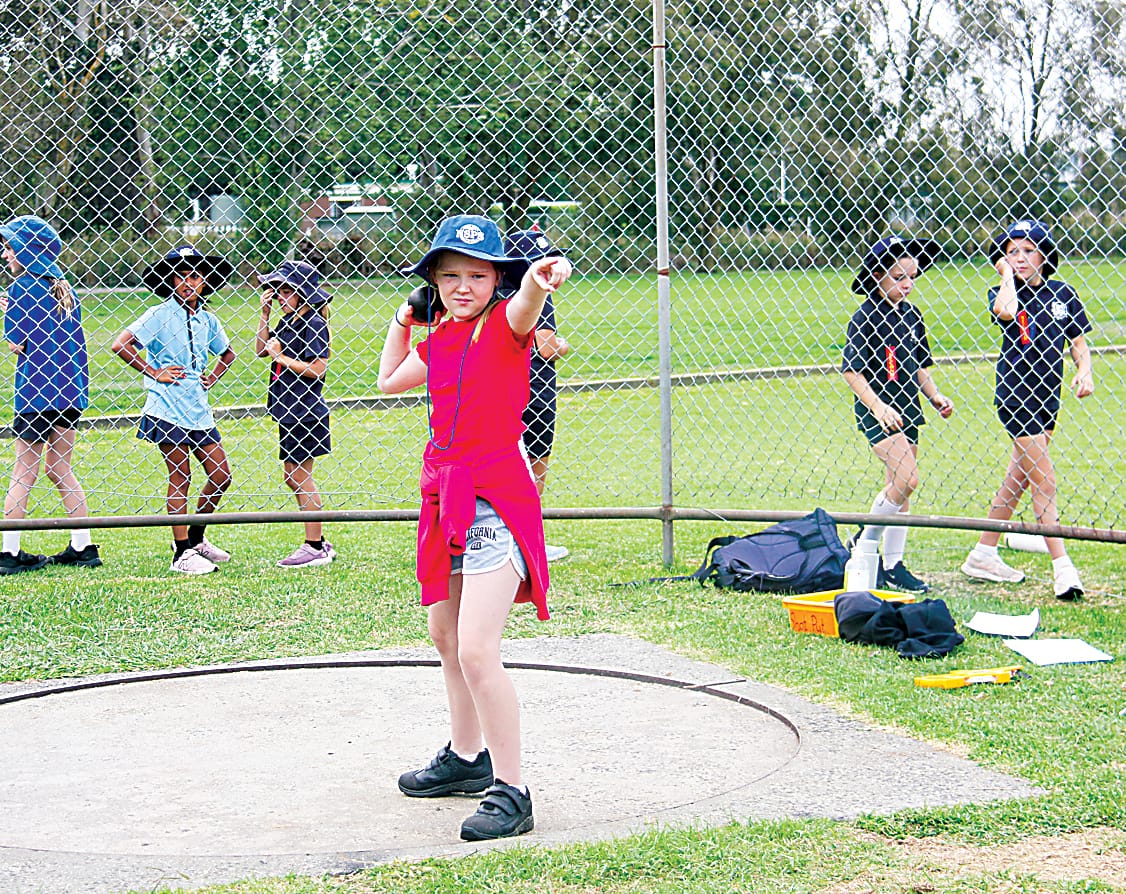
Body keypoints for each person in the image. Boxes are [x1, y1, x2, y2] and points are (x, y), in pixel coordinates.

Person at [378, 214, 572, 841]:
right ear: (433, 281)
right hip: (446, 501)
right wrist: (404, 319)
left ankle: (512, 788)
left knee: (477, 648)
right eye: (450, 275)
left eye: (478, 274)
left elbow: (527, 303)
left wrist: (541, 280)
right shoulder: (442, 339)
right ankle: (467, 757)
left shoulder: (506, 325)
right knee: (445, 636)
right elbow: (387, 381)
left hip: (494, 501)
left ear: (498, 279)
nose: (463, 286)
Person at [960, 220, 1093, 600]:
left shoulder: (1063, 293)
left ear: (1044, 255)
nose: (1019, 257)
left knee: (1018, 478)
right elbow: (1006, 310)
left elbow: (1078, 343)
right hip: (1016, 396)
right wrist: (1006, 275)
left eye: (1028, 250)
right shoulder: (1002, 291)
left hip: (1048, 397)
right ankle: (1063, 569)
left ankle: (983, 553)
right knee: (1043, 480)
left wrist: (1085, 371)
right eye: (1011, 251)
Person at [111, 246, 236, 575]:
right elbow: (120, 344)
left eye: (195, 275)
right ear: (170, 280)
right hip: (166, 407)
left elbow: (227, 355)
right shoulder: (159, 314)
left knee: (221, 476)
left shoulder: (207, 319)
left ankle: (196, 538)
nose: (188, 282)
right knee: (181, 476)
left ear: (206, 281)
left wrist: (213, 376)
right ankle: (181, 553)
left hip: (198, 409)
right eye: (180, 276)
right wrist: (154, 372)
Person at [841, 236, 953, 592]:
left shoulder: (911, 315)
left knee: (900, 489)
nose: (907, 284)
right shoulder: (865, 317)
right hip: (879, 411)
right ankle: (864, 543)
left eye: (912, 277)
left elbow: (920, 364)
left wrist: (934, 395)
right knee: (908, 479)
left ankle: (893, 564)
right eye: (898, 277)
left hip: (909, 409)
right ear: (877, 276)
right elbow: (851, 372)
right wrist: (878, 406)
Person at [0, 215, 100, 573]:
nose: (6, 255)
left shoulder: (20, 289)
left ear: (27, 252)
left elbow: (17, 344)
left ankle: (9, 553)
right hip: (69, 393)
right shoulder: (63, 287)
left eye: (11, 248)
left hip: (34, 395)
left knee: (23, 471)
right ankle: (83, 545)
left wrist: (8, 312)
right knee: (60, 468)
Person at [255, 260, 336, 568]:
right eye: (277, 291)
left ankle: (314, 545)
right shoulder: (288, 321)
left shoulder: (314, 323)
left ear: (303, 293)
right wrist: (265, 315)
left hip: (304, 411)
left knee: (299, 477)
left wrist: (282, 357)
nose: (278, 297)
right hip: (288, 409)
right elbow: (262, 349)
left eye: (286, 290)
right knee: (294, 476)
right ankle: (319, 541)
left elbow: (318, 369)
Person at [503, 228, 572, 562]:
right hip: (538, 389)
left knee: (502, 465)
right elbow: (546, 347)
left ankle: (502, 537)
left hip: (503, 390)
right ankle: (528, 541)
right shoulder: (535, 295)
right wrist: (564, 345)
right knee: (535, 466)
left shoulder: (496, 290)